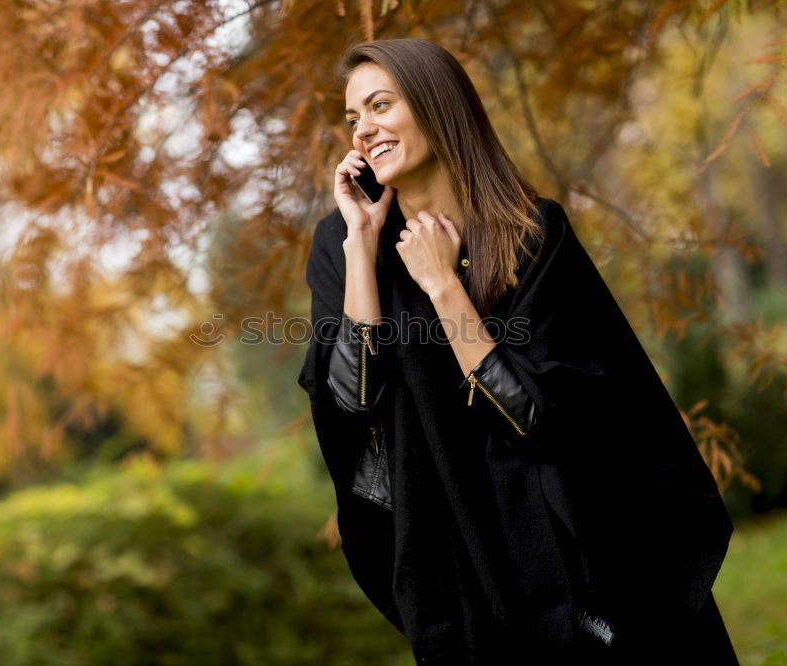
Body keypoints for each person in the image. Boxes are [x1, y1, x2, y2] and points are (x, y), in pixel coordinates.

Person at [296, 38, 739, 665]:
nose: (364, 130)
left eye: (380, 106)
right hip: (461, 562)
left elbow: (540, 421)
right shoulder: (342, 242)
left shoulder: (531, 233)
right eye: (352, 119)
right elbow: (354, 401)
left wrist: (445, 286)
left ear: (435, 106)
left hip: (578, 556)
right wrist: (362, 250)